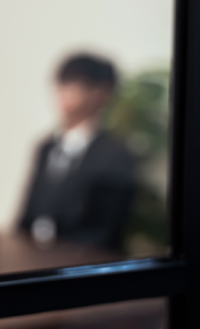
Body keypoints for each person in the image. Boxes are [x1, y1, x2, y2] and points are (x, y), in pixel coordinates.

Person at [18, 53, 135, 254]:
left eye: (74, 84)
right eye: (61, 83)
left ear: (100, 92)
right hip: (31, 255)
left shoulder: (117, 156)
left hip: (79, 261)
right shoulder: (45, 146)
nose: (63, 92)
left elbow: (107, 233)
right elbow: (27, 213)